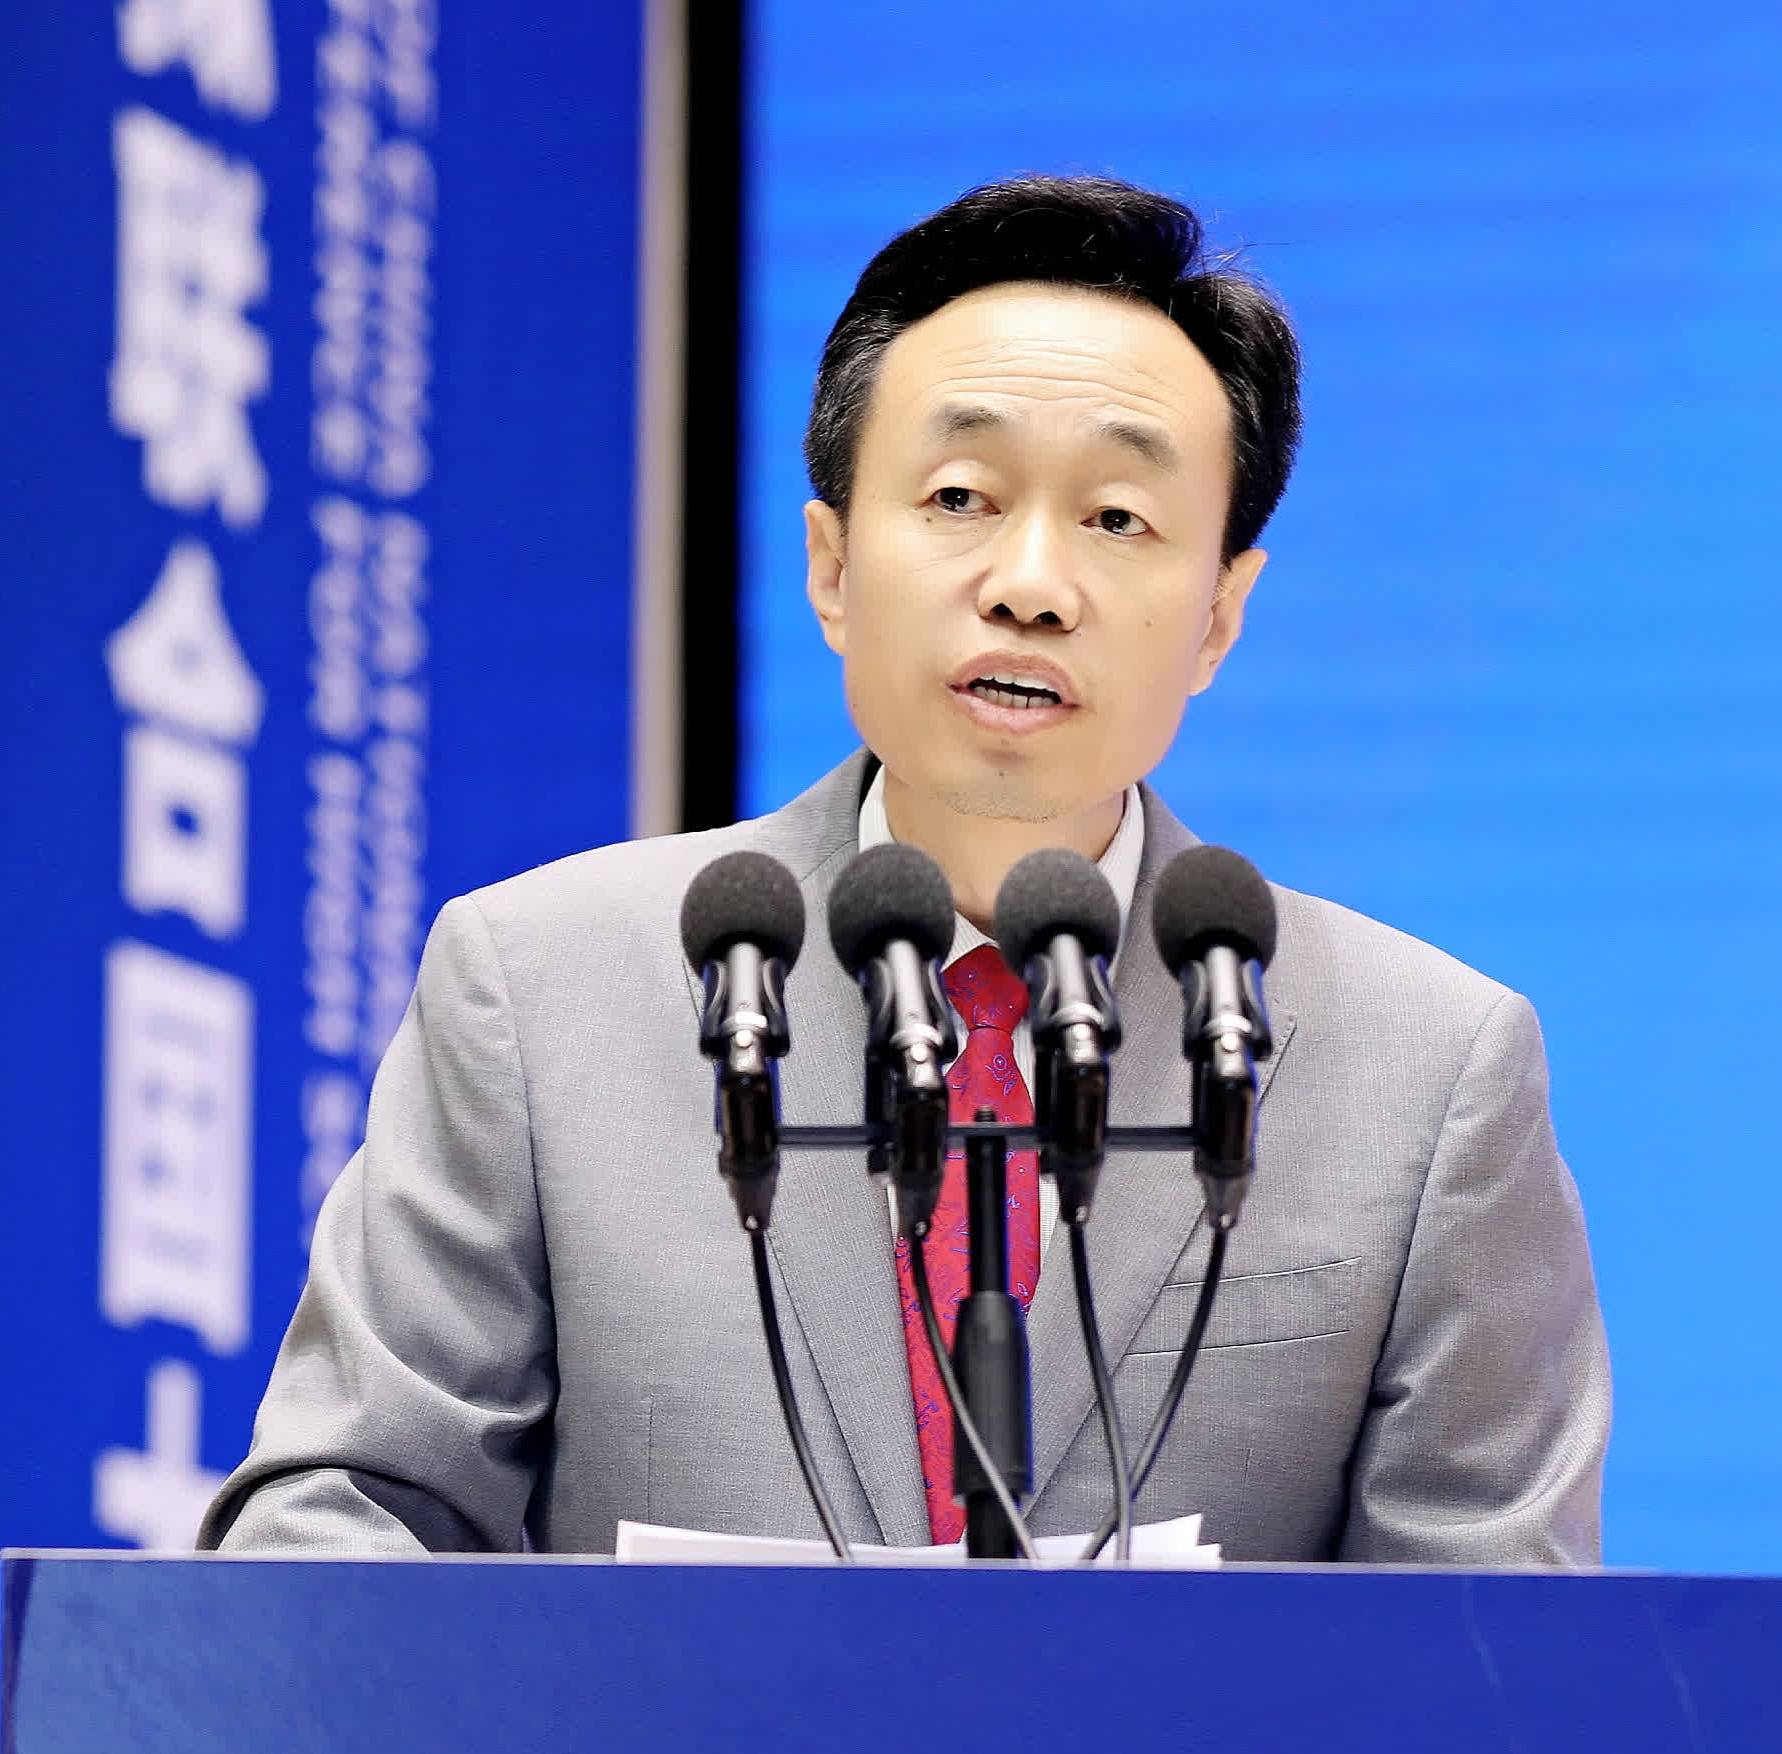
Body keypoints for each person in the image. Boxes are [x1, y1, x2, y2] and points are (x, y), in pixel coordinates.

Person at [207, 176, 1607, 1562]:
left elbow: (1497, 1645)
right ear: (830, 567)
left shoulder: (1430, 1072)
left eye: (1119, 519)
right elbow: (337, 1518)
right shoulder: (540, 989)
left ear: (1220, 618)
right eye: (959, 496)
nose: (1030, 585)